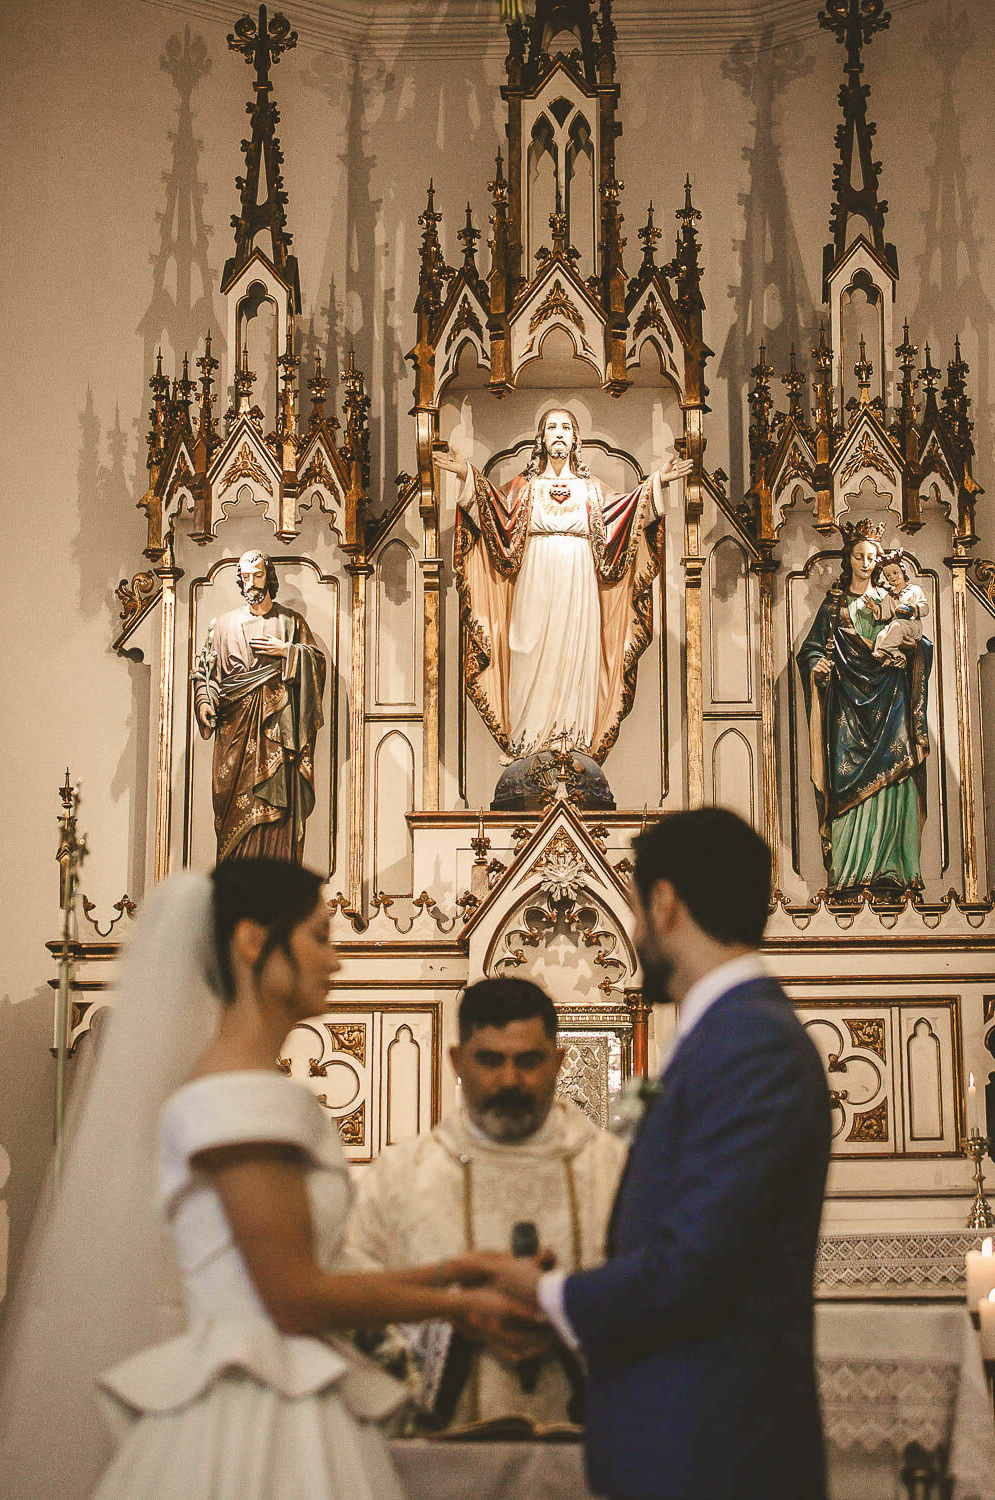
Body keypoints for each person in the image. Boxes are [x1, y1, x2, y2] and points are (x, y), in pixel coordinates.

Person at [0, 861, 542, 1499]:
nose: (335, 961)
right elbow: (294, 1297)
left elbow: (298, 1269)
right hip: (258, 1409)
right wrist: (458, 1305)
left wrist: (456, 1272)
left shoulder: (241, 1087)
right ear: (254, 941)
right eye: (320, 937)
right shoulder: (241, 1099)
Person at [450, 809, 832, 1500]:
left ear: (664, 903)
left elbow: (692, 1270)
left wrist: (542, 1291)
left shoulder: (751, 1046)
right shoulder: (730, 1035)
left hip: (715, 1456)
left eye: (634, 909)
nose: (633, 931)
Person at [343, 977, 626, 1429]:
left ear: (558, 1062)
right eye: (490, 1061)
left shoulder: (616, 1170)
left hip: (592, 1446)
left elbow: (660, 1294)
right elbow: (353, 1303)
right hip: (444, 1447)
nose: (510, 1080)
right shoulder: (398, 1178)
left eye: (529, 1061)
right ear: (457, 1062)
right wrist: (456, 1320)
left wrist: (570, 1318)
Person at [435, 409, 691, 760]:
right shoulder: (524, 489)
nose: (559, 432)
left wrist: (658, 482)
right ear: (541, 438)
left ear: (575, 440)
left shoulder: (592, 491)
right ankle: (527, 743)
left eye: (566, 427)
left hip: (578, 577)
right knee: (528, 649)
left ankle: (574, 743)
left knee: (575, 655)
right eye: (551, 427)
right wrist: (466, 473)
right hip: (535, 575)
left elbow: (628, 513)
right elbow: (492, 513)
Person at [797, 523, 932, 893]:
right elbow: (811, 649)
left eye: (872, 557)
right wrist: (817, 665)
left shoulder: (892, 599)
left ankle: (893, 870)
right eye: (859, 556)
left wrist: (912, 651)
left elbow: (921, 641)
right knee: (845, 781)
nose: (866, 563)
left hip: (891, 700)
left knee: (897, 775)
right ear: (849, 558)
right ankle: (849, 874)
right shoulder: (835, 604)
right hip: (847, 706)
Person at [192, 549, 326, 862]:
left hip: (278, 730)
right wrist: (204, 701)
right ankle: (236, 881)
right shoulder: (222, 625)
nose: (251, 582)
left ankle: (276, 878)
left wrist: (288, 651)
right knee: (233, 807)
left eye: (257, 575)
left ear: (269, 577)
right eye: (245, 576)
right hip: (234, 731)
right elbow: (205, 674)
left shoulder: (291, 622)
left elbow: (317, 665)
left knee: (278, 804)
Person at [868, 548, 929, 666]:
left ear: (902, 571)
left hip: (912, 624)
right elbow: (884, 613)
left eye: (895, 573)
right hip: (896, 625)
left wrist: (913, 608)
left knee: (896, 626)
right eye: (888, 575)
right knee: (881, 635)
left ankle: (883, 651)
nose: (892, 577)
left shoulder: (914, 589)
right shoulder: (890, 596)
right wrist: (874, 607)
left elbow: (925, 607)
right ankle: (895, 657)